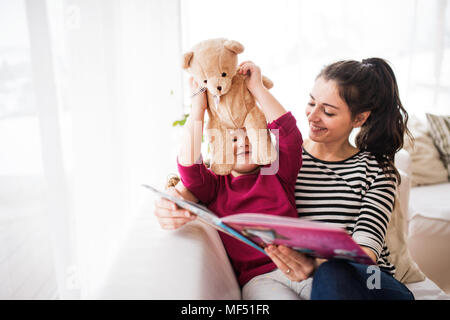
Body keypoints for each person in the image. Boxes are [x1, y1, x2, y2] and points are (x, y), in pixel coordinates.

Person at [154, 58, 415, 300]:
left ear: (359, 118)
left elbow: (366, 253)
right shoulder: (271, 161)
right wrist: (174, 199)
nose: (312, 116)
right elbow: (199, 177)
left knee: (332, 273)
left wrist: (313, 265)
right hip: (286, 277)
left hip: (366, 279)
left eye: (329, 111)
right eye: (311, 102)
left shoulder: (376, 171)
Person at [175, 61, 304, 291]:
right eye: (233, 139)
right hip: (260, 281)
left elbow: (290, 137)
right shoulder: (215, 187)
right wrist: (198, 108)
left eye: (250, 134)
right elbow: (188, 168)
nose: (243, 142)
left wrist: (257, 88)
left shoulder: (277, 172)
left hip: (301, 269)